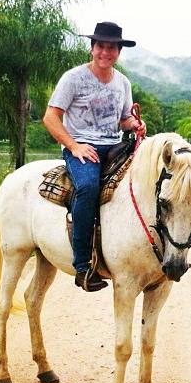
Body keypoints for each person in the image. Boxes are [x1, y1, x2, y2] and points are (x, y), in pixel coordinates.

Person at [43, 22, 146, 292]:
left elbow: (123, 119)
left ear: (119, 51)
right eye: (100, 46)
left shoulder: (122, 83)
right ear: (92, 48)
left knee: (146, 181)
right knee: (88, 188)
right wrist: (74, 146)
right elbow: (50, 117)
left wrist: (133, 125)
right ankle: (83, 266)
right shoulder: (73, 78)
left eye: (111, 47)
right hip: (83, 148)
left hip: (114, 147)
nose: (105, 52)